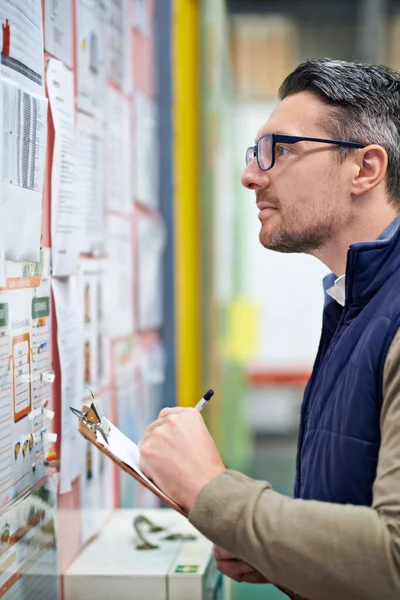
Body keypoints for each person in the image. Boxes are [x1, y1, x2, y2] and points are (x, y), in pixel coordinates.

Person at [139, 59, 400, 600]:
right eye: (255, 153)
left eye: (278, 150)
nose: (251, 175)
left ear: (365, 168)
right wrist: (278, 550)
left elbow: (392, 561)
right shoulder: (355, 300)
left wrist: (214, 490)